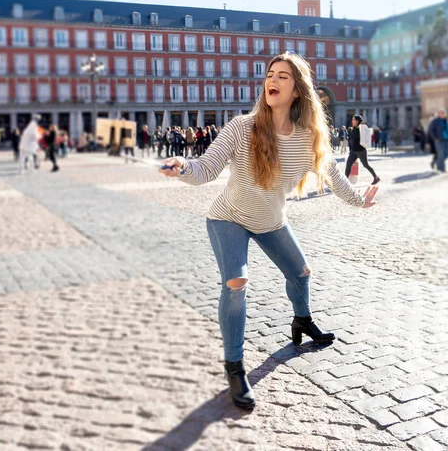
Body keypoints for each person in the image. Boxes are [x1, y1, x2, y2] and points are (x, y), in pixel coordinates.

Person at [159, 53, 378, 410]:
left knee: (301, 272)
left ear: (297, 91)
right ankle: (234, 365)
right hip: (228, 218)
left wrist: (358, 201)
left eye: (283, 76)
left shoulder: (308, 138)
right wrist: (181, 166)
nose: (272, 80)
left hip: (271, 221)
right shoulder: (241, 128)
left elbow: (334, 176)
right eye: (270, 74)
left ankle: (302, 321)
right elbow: (205, 170)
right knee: (236, 284)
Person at [344, 115, 380, 185]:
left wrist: (353, 131)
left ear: (357, 121)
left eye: (353, 120)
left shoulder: (361, 129)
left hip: (361, 151)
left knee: (365, 165)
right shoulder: (354, 129)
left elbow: (358, 137)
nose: (352, 121)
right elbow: (351, 141)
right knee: (348, 165)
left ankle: (376, 177)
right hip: (354, 151)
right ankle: (345, 181)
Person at [429, 108, 448, 172]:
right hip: (439, 140)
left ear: (445, 114)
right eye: (440, 113)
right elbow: (431, 130)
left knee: (447, 154)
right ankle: (441, 169)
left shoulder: (446, 120)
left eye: (442, 113)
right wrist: (435, 138)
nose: (441, 114)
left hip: (447, 140)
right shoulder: (435, 121)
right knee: (441, 155)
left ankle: (435, 161)